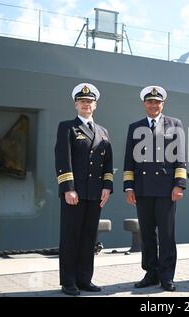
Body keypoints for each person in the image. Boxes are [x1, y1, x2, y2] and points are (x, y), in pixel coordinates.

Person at [123, 85, 186, 292]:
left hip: (167, 189)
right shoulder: (135, 127)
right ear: (144, 104)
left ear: (162, 104)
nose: (153, 105)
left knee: (167, 235)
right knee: (147, 234)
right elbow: (129, 160)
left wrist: (179, 185)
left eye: (157, 102)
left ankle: (167, 276)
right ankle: (151, 273)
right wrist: (129, 188)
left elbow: (180, 159)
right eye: (150, 102)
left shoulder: (175, 124)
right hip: (142, 189)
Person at [54, 83, 113, 296]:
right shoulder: (67, 127)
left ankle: (85, 279)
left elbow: (107, 163)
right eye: (82, 101)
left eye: (89, 102)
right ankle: (68, 281)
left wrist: (107, 187)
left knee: (89, 237)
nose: (86, 104)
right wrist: (68, 188)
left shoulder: (103, 131)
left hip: (95, 194)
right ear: (75, 104)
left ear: (95, 105)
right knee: (71, 237)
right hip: (75, 194)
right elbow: (63, 159)